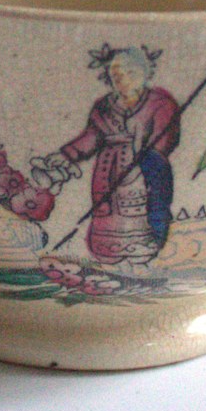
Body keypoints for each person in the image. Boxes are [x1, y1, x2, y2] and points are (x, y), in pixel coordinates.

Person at [39, 45, 180, 266]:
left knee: (140, 207)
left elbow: (165, 136)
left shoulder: (160, 103)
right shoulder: (104, 106)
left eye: (130, 72)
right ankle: (109, 255)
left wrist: (148, 154)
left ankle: (144, 252)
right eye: (116, 75)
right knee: (109, 209)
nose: (123, 79)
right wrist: (67, 155)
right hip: (107, 169)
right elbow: (91, 136)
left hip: (143, 168)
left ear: (145, 71)